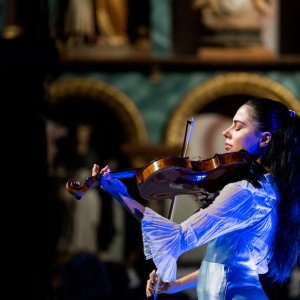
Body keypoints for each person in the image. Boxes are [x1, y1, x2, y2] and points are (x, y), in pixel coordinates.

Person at [91, 97, 300, 299]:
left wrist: (121, 194)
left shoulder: (247, 193)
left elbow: (178, 238)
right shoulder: (270, 190)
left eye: (238, 127)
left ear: (264, 139)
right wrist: (176, 285)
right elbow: (226, 264)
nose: (226, 132)